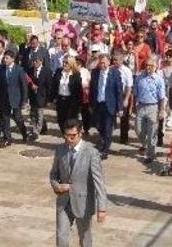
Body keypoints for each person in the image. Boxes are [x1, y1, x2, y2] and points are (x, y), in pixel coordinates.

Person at [49, 119, 108, 247]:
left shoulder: (91, 153)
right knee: (61, 237)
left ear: (80, 133)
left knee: (85, 238)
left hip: (83, 203)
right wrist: (57, 186)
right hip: (64, 201)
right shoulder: (60, 149)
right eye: (66, 136)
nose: (69, 139)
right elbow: (53, 174)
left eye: (72, 136)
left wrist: (102, 208)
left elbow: (99, 182)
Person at [133, 55, 167, 164]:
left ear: (155, 67)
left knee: (152, 132)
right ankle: (145, 144)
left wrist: (161, 110)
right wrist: (134, 106)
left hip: (153, 107)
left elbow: (162, 97)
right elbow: (135, 93)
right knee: (138, 129)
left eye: (151, 66)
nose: (148, 67)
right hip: (141, 106)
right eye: (147, 65)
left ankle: (150, 154)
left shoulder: (159, 80)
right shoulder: (139, 77)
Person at [90, 53, 124, 159]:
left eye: (104, 63)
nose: (102, 65)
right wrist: (91, 104)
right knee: (99, 126)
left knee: (108, 128)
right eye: (100, 63)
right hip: (98, 104)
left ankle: (105, 150)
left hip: (109, 105)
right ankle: (102, 140)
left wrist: (120, 108)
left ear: (109, 62)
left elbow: (119, 91)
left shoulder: (115, 73)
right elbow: (92, 89)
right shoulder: (95, 72)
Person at [0, 50, 29, 147]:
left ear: (12, 59)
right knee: (5, 119)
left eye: (7, 58)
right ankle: (7, 139)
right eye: (4, 58)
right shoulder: (1, 69)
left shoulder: (19, 70)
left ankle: (24, 133)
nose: (5, 60)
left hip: (16, 99)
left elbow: (24, 86)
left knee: (18, 118)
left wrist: (24, 100)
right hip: (4, 99)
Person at [52, 56, 82, 132]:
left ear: (71, 64)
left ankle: (70, 135)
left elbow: (78, 90)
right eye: (63, 62)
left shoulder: (76, 74)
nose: (64, 64)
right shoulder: (58, 72)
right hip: (60, 100)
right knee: (60, 120)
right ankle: (65, 134)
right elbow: (54, 85)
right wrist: (53, 98)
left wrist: (78, 104)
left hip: (71, 101)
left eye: (66, 62)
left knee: (70, 121)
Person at [27, 55, 52, 139]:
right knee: (33, 113)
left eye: (36, 61)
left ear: (41, 61)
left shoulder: (47, 71)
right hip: (32, 96)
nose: (34, 63)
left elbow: (49, 85)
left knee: (39, 113)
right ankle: (39, 128)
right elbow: (28, 82)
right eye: (33, 61)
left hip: (42, 96)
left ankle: (36, 131)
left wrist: (48, 99)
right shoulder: (30, 70)